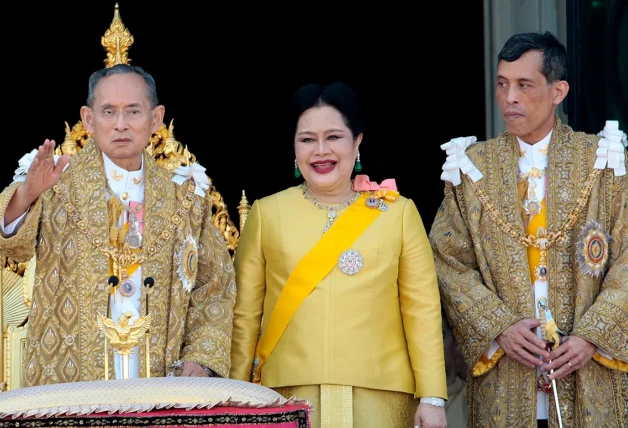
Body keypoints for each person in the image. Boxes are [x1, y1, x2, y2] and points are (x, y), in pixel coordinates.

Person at [429, 31, 627, 428]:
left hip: (588, 376)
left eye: (524, 85)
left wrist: (591, 336)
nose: (509, 98)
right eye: (502, 84)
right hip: (505, 379)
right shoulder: (471, 167)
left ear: (558, 91)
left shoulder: (604, 162)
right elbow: (446, 257)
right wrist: (498, 326)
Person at [0, 64, 236, 386]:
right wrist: (26, 193)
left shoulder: (186, 199)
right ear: (88, 119)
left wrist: (200, 356)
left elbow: (215, 286)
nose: (121, 125)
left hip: (160, 376)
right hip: (70, 381)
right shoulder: (53, 184)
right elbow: (10, 246)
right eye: (108, 111)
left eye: (133, 111)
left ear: (155, 119)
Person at [229, 82, 447, 428]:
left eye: (333, 137)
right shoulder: (267, 213)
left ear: (357, 141)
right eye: (307, 139)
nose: (320, 151)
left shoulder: (398, 213)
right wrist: (235, 394)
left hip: (381, 395)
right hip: (285, 394)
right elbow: (244, 314)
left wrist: (432, 397)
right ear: (294, 146)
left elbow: (422, 310)